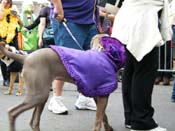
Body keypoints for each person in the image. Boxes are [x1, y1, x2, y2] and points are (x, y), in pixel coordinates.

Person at [112, 0, 172, 131]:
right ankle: (141, 121)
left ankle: (132, 118)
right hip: (143, 22)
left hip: (130, 19)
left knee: (132, 71)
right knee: (143, 72)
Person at [48, 0, 98, 115]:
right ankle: (56, 98)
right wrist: (57, 5)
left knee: (88, 61)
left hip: (89, 18)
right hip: (68, 16)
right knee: (64, 60)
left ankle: (84, 97)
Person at [0, 0, 23, 86]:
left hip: (13, 36)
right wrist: (2, 5)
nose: (8, 4)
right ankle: (6, 79)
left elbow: (21, 24)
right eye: (6, 2)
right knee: (3, 57)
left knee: (15, 56)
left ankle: (13, 77)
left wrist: (17, 16)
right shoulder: (0, 7)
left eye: (9, 2)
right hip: (2, 36)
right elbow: (0, 17)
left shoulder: (14, 9)